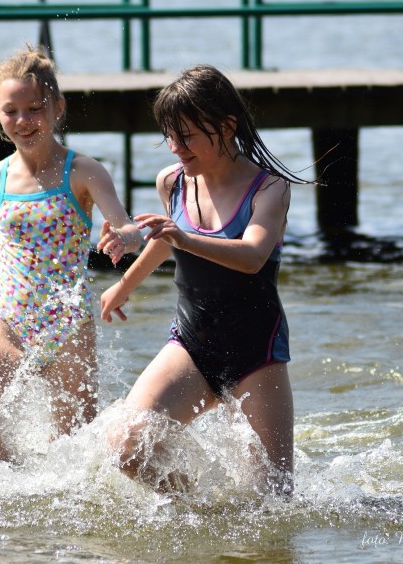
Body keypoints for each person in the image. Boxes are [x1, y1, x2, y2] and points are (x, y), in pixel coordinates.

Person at [0, 45, 141, 464]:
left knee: (73, 453)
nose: (23, 121)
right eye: (11, 111)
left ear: (57, 108)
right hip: (8, 323)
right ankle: (6, 506)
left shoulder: (84, 171)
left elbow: (127, 225)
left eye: (34, 108)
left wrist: (126, 239)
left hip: (67, 328)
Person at [100, 64, 309, 494]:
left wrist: (183, 237)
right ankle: (197, 511)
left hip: (256, 353)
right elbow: (167, 238)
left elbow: (252, 256)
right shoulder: (172, 182)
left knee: (272, 500)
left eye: (187, 136)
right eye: (169, 137)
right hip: (192, 344)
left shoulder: (270, 189)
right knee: (128, 445)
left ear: (227, 126)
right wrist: (125, 282)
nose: (176, 148)